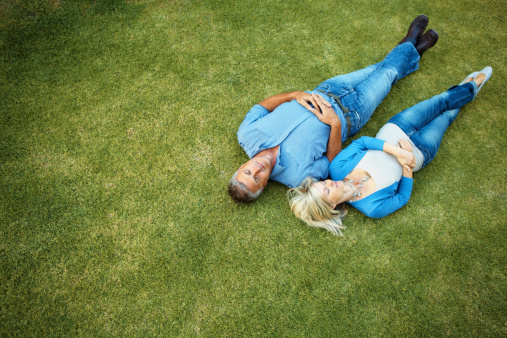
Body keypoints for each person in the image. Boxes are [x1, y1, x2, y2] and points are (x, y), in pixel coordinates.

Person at [229, 15, 439, 203]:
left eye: (247, 171)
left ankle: (413, 49)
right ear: (264, 184)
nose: (257, 169)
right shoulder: (297, 177)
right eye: (257, 178)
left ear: (240, 167)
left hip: (327, 88)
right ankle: (412, 41)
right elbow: (333, 161)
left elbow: (261, 107)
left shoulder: (247, 135)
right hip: (352, 114)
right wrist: (334, 123)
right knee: (387, 73)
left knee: (374, 69)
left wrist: (294, 95)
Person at [288, 67, 493, 235]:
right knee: (446, 116)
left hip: (397, 128)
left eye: (322, 183)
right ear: (331, 206)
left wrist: (397, 152)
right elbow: (402, 197)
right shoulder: (372, 208)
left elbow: (363, 143)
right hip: (421, 151)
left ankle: (472, 86)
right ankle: (467, 88)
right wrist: (406, 165)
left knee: (439, 101)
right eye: (326, 190)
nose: (327, 182)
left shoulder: (337, 168)